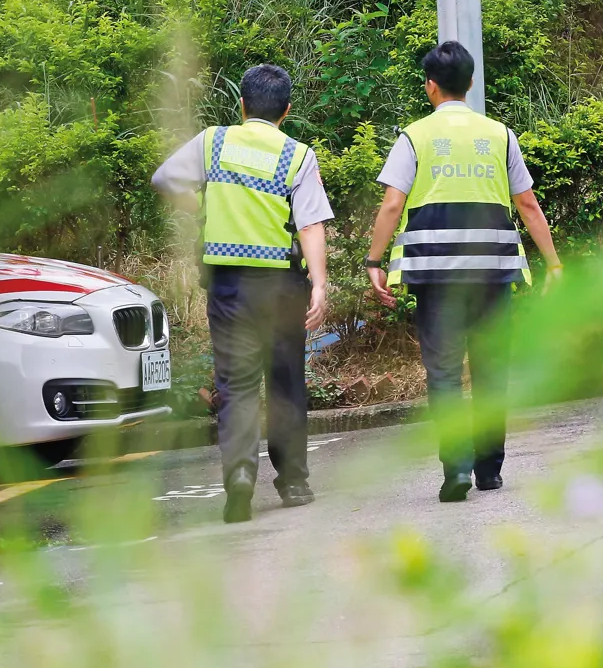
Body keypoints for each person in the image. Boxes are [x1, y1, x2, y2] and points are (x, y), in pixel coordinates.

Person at [363, 42, 561, 503]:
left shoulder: (414, 137)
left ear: (429, 85)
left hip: (436, 273)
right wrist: (553, 263)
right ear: (471, 83)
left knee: (445, 371)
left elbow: (393, 203)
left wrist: (374, 261)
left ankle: (455, 468)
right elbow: (527, 204)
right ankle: (489, 470)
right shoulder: (499, 135)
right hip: (492, 271)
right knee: (492, 369)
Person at [151, 64, 333, 523]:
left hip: (228, 284)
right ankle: (292, 482)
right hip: (279, 285)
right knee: (287, 380)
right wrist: (319, 283)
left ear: (242, 105)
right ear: (286, 111)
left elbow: (165, 180)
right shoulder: (297, 154)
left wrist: (201, 206)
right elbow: (310, 223)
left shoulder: (213, 141)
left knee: (236, 385)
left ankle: (239, 478)